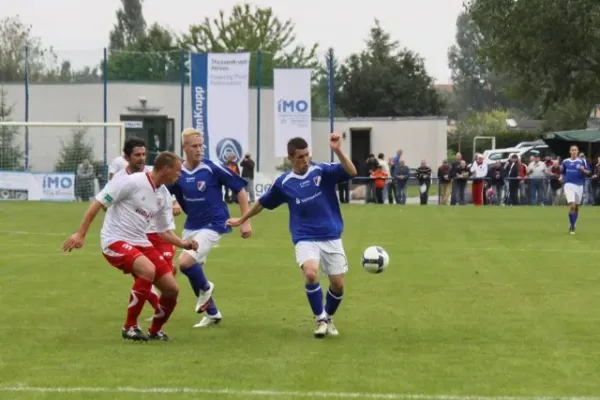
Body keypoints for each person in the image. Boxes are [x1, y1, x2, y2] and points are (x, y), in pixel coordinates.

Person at [226, 133, 357, 338]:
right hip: (304, 236)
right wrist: (243, 219)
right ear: (290, 158)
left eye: (306, 155)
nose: (305, 159)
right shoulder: (284, 182)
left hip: (331, 234)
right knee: (311, 273)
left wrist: (338, 150)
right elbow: (262, 203)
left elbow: (352, 171)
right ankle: (320, 319)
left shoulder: (321, 171)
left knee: (338, 285)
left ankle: (328, 317)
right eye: (300, 157)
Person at [62, 152, 198, 342]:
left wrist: (183, 243)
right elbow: (98, 203)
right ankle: (130, 326)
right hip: (114, 239)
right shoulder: (132, 182)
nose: (179, 175)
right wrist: (80, 234)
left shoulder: (164, 195)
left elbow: (163, 231)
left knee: (171, 289)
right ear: (166, 170)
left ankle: (155, 331)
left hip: (140, 241)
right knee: (147, 270)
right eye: (177, 171)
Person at [168, 128, 251, 328]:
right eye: (194, 146)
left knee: (185, 263)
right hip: (192, 224)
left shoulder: (212, 167)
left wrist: (245, 220)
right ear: (184, 148)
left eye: (200, 146)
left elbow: (240, 189)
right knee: (193, 271)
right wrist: (173, 202)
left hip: (214, 223)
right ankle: (212, 313)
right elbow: (165, 189)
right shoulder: (179, 171)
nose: (198, 150)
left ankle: (207, 288)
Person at [111, 136, 182, 320]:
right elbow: (104, 201)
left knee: (167, 274)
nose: (142, 158)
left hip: (153, 233)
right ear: (127, 157)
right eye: (137, 155)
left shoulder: (152, 174)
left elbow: (161, 193)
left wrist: (174, 203)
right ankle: (135, 321)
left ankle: (155, 318)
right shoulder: (124, 180)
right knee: (146, 271)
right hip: (127, 237)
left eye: (143, 154)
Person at [560, 145, 590, 234]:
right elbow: (562, 172)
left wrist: (583, 170)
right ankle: (572, 227)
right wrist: (561, 177)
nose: (574, 151)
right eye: (572, 150)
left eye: (575, 150)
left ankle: (572, 223)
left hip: (579, 185)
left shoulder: (582, 161)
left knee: (576, 207)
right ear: (570, 151)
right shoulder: (565, 161)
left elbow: (589, 172)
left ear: (577, 151)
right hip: (569, 185)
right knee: (572, 206)